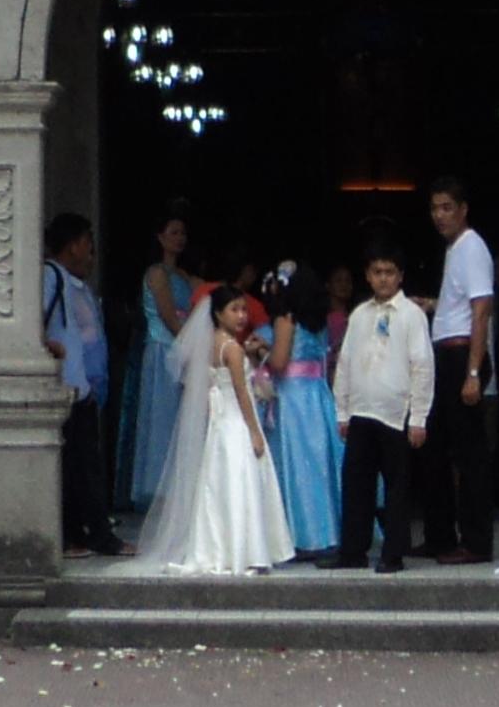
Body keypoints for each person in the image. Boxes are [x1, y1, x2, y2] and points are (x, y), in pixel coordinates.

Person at [116, 285, 294, 576]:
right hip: (236, 423)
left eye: (243, 309)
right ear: (218, 314)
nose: (241, 315)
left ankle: (222, 547)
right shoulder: (233, 349)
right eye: (234, 309)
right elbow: (242, 393)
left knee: (217, 486)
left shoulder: (211, 344)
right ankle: (246, 550)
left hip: (219, 426)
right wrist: (255, 431)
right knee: (240, 484)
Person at [329, 240, 433, 574]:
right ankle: (352, 551)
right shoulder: (359, 314)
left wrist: (418, 417)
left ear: (400, 276)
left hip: (396, 414)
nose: (384, 278)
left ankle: (393, 553)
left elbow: (422, 366)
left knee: (397, 486)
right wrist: (342, 411)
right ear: (368, 276)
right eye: (377, 272)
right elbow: (345, 362)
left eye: (390, 272)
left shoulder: (412, 316)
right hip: (361, 412)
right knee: (356, 483)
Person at [420, 177, 495, 562]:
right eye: (435, 208)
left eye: (447, 207)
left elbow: (481, 310)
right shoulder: (455, 250)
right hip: (445, 354)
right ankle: (440, 535)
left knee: (469, 455)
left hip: (462, 355)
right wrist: (433, 305)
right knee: (435, 448)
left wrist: (473, 373)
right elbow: (460, 304)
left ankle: (476, 542)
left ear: (463, 209)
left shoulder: (473, 247)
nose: (440, 216)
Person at [41, 212, 125, 557]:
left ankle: (82, 533)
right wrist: (45, 346)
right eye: (88, 246)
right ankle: (92, 535)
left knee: (82, 465)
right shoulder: (50, 278)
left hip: (84, 387)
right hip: (67, 386)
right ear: (74, 245)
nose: (91, 255)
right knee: (81, 466)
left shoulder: (74, 284)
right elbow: (34, 319)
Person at [120, 207, 205, 511]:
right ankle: (159, 492)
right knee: (162, 420)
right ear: (159, 237)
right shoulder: (156, 272)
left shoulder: (184, 275)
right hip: (163, 351)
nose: (179, 238)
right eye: (173, 232)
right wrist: (194, 346)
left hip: (181, 350)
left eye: (182, 233)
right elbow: (169, 317)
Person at [264, 264, 346, 560]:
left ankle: (299, 536)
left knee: (295, 466)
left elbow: (280, 362)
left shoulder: (287, 319)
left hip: (294, 398)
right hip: (317, 393)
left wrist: (263, 351)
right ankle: (325, 534)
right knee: (319, 467)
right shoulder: (320, 321)